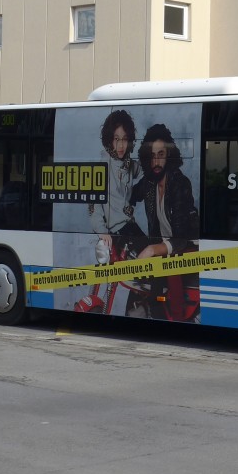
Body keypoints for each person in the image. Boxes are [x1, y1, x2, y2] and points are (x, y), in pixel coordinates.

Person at [128, 123, 200, 321]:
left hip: (187, 243)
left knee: (170, 264)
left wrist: (152, 250)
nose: (156, 161)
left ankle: (176, 319)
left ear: (169, 155)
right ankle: (146, 306)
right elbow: (128, 196)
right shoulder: (149, 184)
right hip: (162, 243)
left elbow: (180, 238)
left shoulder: (179, 183)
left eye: (161, 154)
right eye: (152, 155)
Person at [76, 109, 144, 314]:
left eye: (124, 139)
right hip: (114, 233)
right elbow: (93, 206)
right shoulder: (102, 164)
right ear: (109, 140)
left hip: (129, 229)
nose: (121, 145)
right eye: (116, 139)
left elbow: (143, 171)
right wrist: (102, 232)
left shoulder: (130, 164)